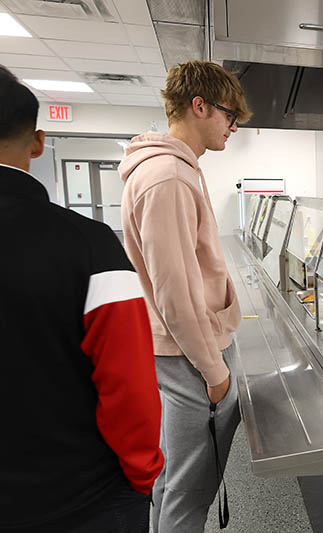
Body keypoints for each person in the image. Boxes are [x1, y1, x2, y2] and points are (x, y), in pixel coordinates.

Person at [0, 66, 163, 531]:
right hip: (83, 499)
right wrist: (143, 474)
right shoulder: (90, 245)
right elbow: (130, 386)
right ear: (37, 141)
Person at [119, 60, 251, 532]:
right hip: (192, 359)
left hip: (186, 353)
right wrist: (216, 373)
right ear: (200, 106)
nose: (233, 128)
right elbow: (175, 294)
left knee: (175, 477)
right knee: (189, 488)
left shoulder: (174, 170)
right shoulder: (168, 177)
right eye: (229, 116)